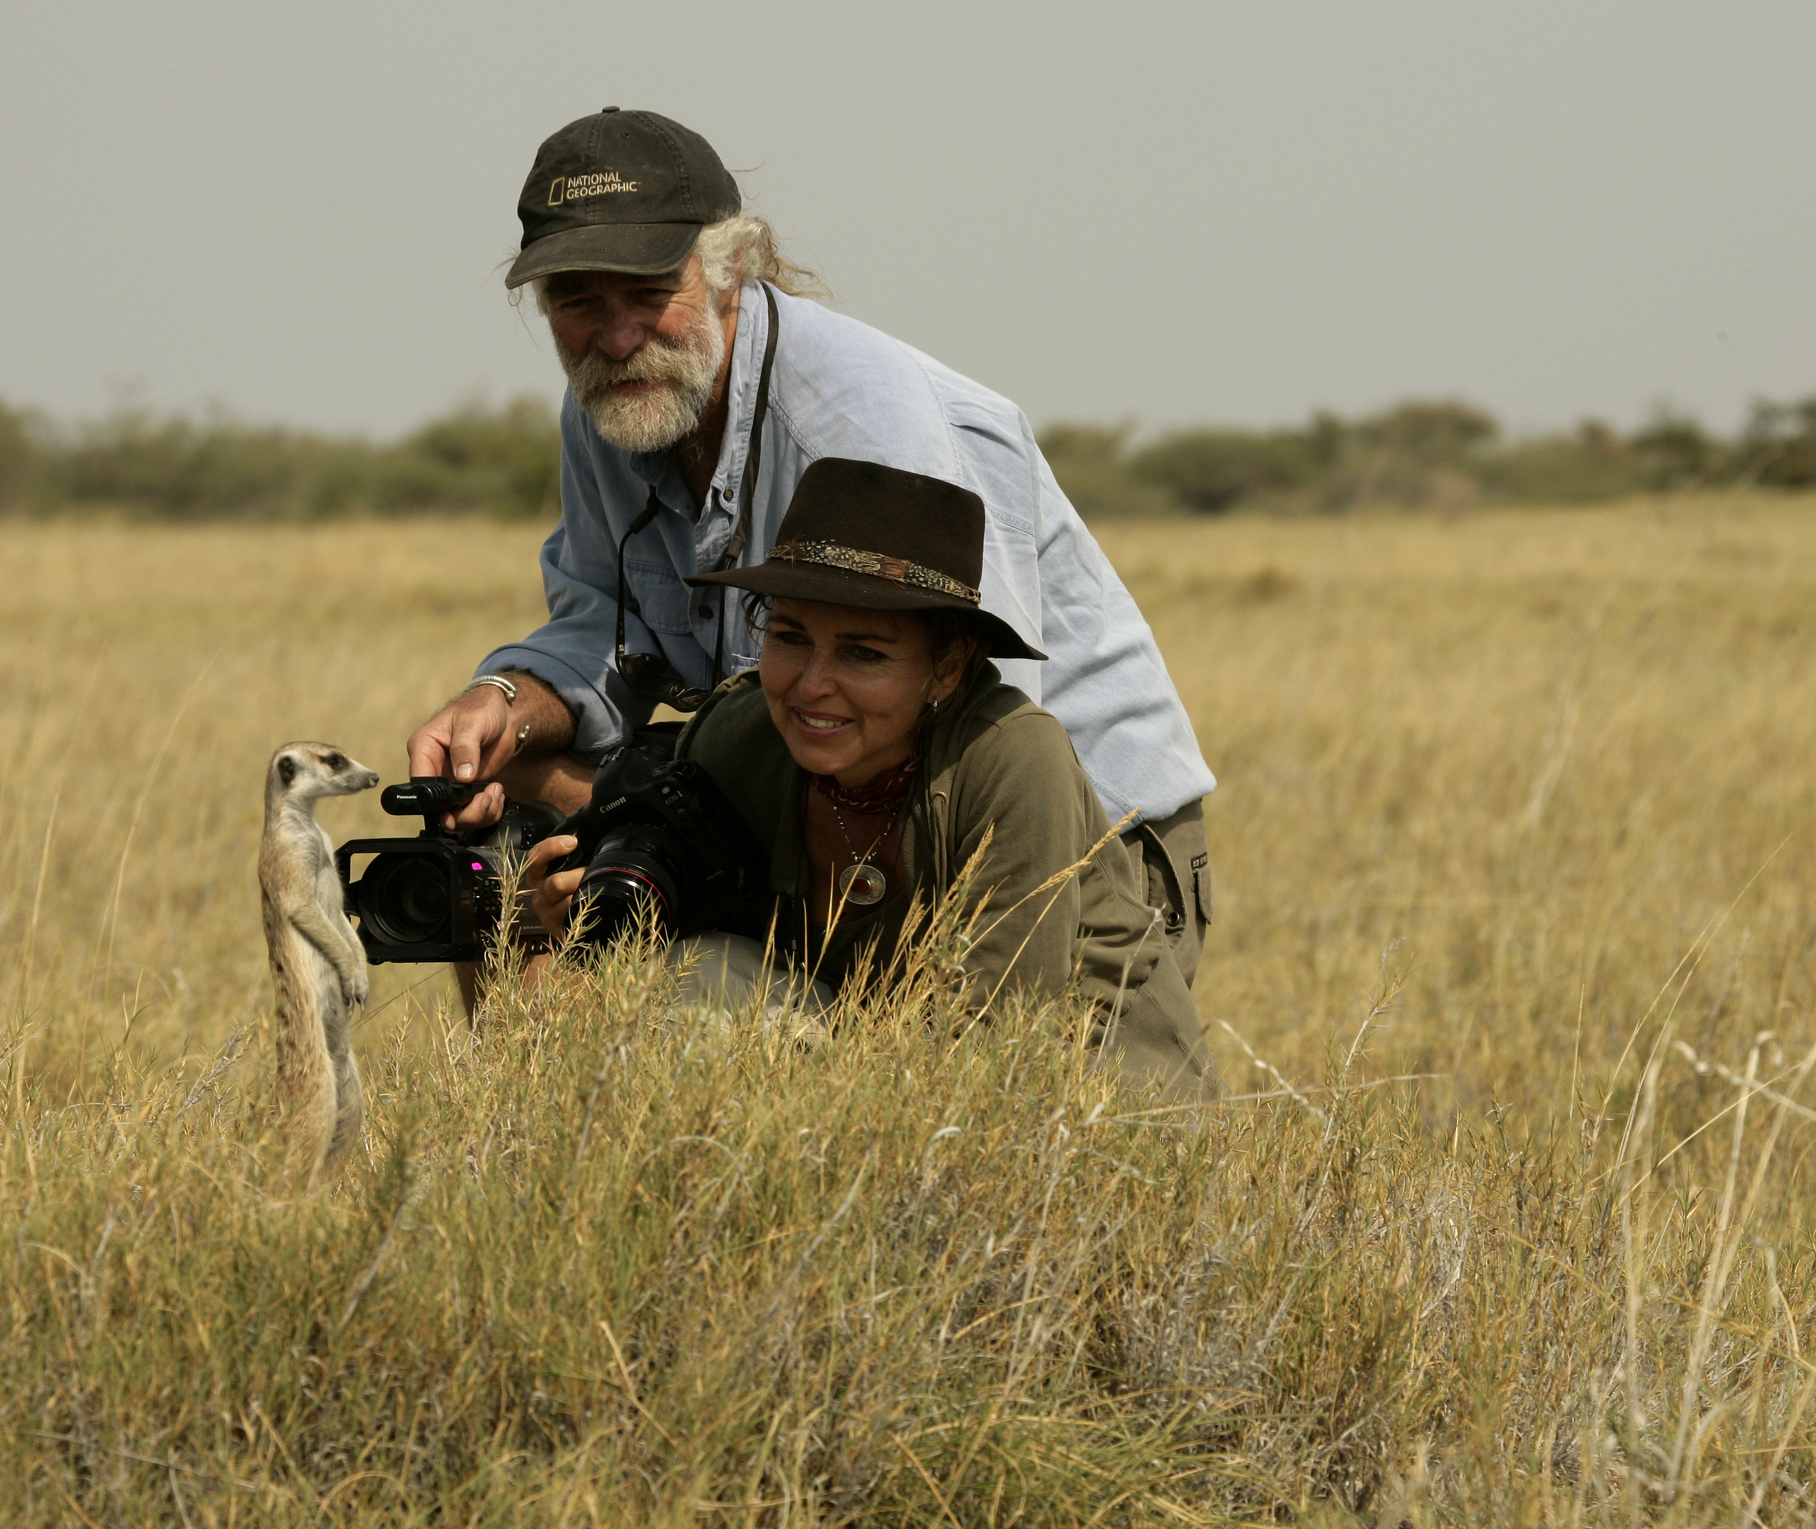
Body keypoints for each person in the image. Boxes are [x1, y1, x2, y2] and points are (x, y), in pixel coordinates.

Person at [408, 107, 1216, 992]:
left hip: (1065, 845)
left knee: (754, 1011)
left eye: (648, 292)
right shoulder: (611, 400)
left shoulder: (872, 430)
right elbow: (605, 624)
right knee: (497, 800)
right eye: (578, 302)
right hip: (820, 791)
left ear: (731, 269)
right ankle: (528, 1079)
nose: (617, 337)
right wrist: (504, 701)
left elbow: (992, 747)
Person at [520, 459, 1219, 1099]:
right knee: (683, 974)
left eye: (863, 653)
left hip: (1082, 1099)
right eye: (789, 637)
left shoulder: (1011, 755)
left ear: (948, 667)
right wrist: (594, 929)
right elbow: (692, 964)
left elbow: (999, 1052)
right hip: (866, 1067)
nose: (811, 685)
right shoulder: (739, 739)